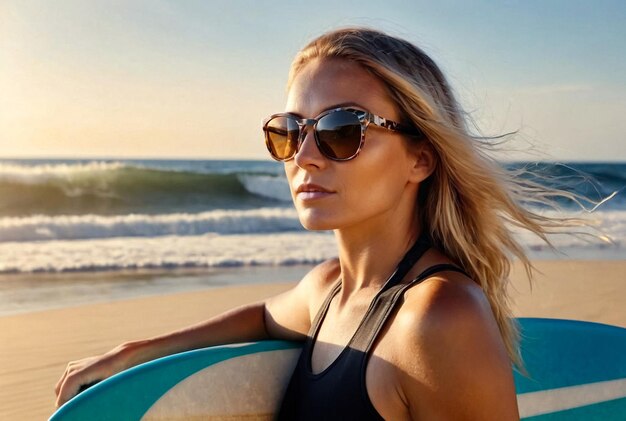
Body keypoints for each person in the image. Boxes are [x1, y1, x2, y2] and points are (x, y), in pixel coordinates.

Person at [55, 27, 568, 419]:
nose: (304, 155)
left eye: (342, 130)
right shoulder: (327, 290)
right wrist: (134, 354)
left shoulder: (438, 317)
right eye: (288, 131)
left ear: (421, 159)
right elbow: (262, 316)